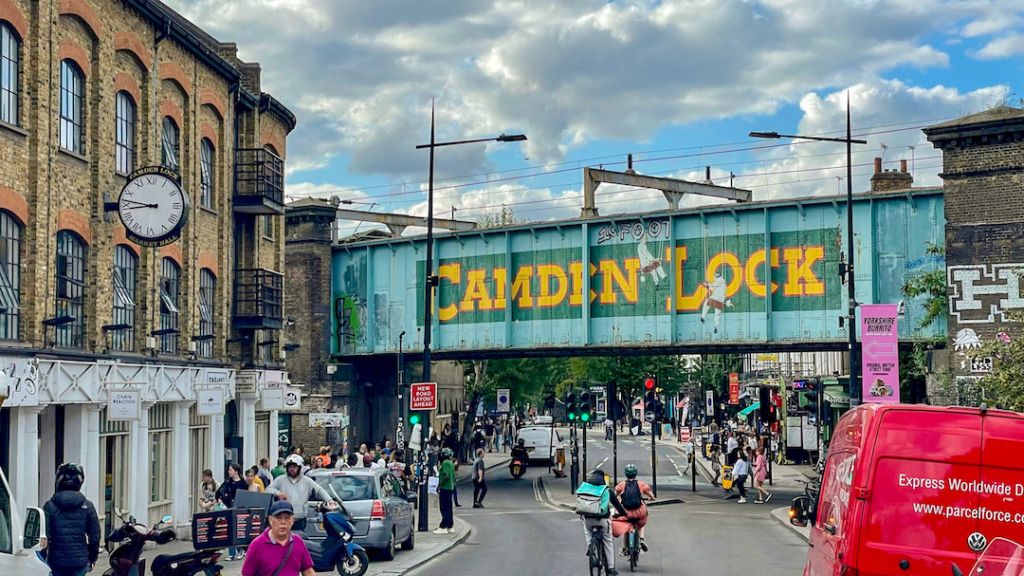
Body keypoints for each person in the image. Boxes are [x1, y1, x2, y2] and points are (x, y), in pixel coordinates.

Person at [43, 463, 100, 576]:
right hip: (79, 562)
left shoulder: (50, 506)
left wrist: (43, 560)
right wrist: (92, 559)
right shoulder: (88, 506)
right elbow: (95, 537)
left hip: (56, 561)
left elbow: (44, 537)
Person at [241, 501, 315, 576]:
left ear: (292, 521)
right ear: (270, 520)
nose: (283, 522)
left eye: (287, 518)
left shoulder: (298, 542)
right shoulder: (257, 545)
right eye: (278, 518)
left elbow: (308, 571)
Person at [576, 469, 625, 576]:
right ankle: (611, 568)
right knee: (608, 541)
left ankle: (590, 546)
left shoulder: (584, 488)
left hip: (588, 519)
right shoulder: (606, 490)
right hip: (602, 520)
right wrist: (622, 513)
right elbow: (617, 505)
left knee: (587, 531)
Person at [265, 454, 333, 531]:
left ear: (299, 468)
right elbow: (268, 489)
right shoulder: (280, 480)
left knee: (299, 540)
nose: (292, 469)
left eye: (294, 467)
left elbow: (319, 490)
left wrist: (329, 500)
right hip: (284, 520)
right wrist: (278, 493)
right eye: (290, 467)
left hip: (300, 520)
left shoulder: (307, 481)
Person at [613, 464, 655, 554]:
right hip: (639, 512)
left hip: (626, 512)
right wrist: (651, 498)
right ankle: (641, 539)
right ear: (636, 473)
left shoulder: (622, 484)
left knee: (625, 527)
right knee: (641, 524)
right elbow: (651, 496)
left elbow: (614, 496)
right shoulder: (641, 484)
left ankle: (624, 548)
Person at [219, 463, 251, 561]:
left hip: (240, 510)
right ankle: (232, 553)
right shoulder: (227, 482)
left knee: (238, 531)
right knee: (230, 530)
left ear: (236, 471)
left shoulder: (243, 483)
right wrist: (220, 499)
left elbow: (246, 496)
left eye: (230, 470)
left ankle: (240, 549)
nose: (229, 472)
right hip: (229, 508)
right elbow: (220, 491)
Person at [434, 448, 457, 534]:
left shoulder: (445, 463)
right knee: (449, 507)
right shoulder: (451, 463)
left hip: (445, 488)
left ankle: (443, 526)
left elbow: (446, 475)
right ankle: (450, 526)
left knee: (444, 508)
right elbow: (453, 476)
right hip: (450, 487)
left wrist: (440, 484)